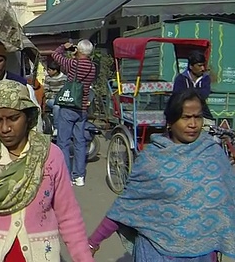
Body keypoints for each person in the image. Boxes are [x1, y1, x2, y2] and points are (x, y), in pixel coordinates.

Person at [0, 80, 93, 262]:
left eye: (13, 118)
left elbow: (69, 217)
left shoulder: (50, 156)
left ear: (29, 117)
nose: (5, 128)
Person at [88, 89, 235, 261]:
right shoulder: (152, 158)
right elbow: (126, 206)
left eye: (198, 117)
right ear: (170, 122)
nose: (193, 124)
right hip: (157, 253)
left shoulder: (213, 154)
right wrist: (93, 242)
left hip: (202, 255)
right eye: (186, 117)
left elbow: (227, 201)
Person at [51, 40, 96, 187]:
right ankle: (79, 176)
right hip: (82, 108)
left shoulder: (73, 64)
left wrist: (65, 47)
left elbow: (55, 55)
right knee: (80, 142)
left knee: (63, 142)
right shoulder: (92, 67)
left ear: (79, 50)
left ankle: (67, 176)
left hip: (69, 106)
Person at [172, 50, 214, 124]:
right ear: (191, 66)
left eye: (203, 65)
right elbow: (178, 97)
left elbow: (204, 95)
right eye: (199, 65)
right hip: (183, 114)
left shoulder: (205, 78)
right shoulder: (181, 78)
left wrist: (187, 93)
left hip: (203, 114)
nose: (203, 69)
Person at [44, 60, 67, 133]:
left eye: (50, 70)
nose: (48, 71)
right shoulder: (48, 78)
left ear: (55, 71)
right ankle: (56, 127)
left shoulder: (64, 78)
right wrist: (53, 96)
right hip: (51, 99)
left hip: (62, 98)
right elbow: (45, 91)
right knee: (56, 106)